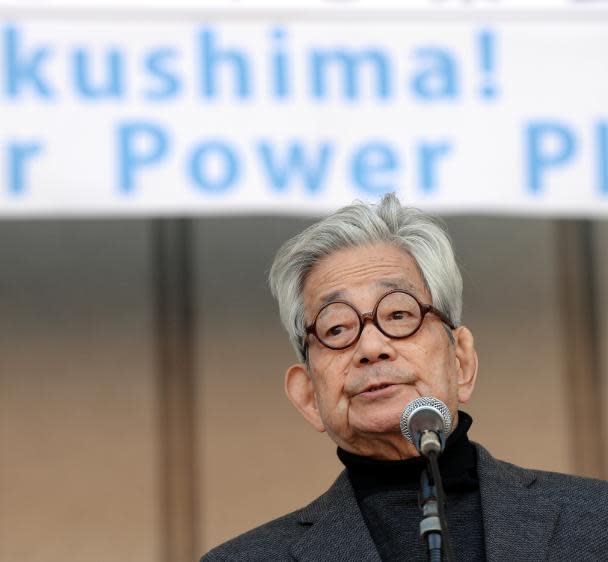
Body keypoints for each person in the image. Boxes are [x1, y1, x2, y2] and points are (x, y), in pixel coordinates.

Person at [201, 194, 608, 562]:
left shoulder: (596, 519)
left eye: (399, 314)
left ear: (461, 362)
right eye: (336, 328)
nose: (371, 347)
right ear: (308, 397)